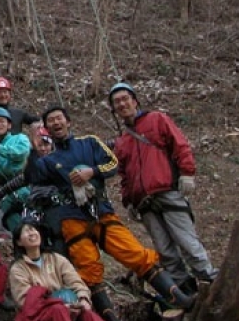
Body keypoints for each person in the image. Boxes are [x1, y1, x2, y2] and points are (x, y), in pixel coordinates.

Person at [25, 105, 195, 321]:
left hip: (102, 212)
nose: (56, 123)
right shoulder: (47, 161)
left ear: (68, 122)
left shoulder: (89, 142)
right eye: (51, 121)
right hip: (71, 218)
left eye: (59, 118)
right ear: (47, 128)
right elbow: (35, 185)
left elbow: (112, 164)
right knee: (89, 270)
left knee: (134, 253)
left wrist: (92, 172)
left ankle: (179, 297)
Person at [110, 82, 217, 293]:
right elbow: (124, 174)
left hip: (167, 191)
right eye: (117, 102)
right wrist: (128, 199)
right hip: (144, 202)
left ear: (135, 100)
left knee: (187, 242)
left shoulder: (157, 120)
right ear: (113, 110)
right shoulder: (122, 142)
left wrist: (187, 173)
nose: (122, 104)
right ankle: (186, 291)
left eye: (125, 98)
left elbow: (180, 144)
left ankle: (212, 283)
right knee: (165, 250)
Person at [10, 220, 103, 321]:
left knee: (88, 315)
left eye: (34, 229)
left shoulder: (56, 259)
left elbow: (76, 282)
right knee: (58, 310)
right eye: (27, 231)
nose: (32, 233)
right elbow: (25, 301)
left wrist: (83, 299)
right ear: (19, 242)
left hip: (68, 306)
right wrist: (59, 305)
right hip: (39, 314)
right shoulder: (18, 269)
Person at [0, 107, 31, 235]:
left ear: (9, 125)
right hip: (2, 189)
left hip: (22, 186)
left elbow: (20, 153)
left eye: (2, 121)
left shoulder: (20, 138)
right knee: (12, 222)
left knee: (6, 208)